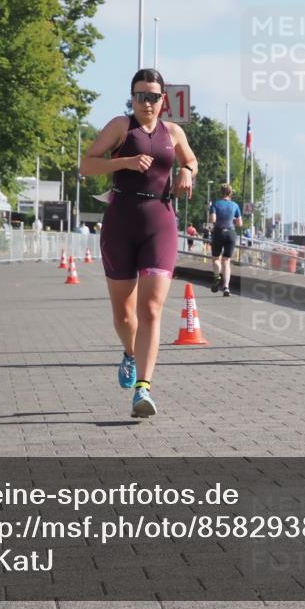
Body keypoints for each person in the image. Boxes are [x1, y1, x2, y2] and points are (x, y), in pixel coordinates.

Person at [80, 68, 198, 418]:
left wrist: (187, 171)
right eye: (140, 96)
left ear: (164, 100)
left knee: (151, 309)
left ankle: (142, 389)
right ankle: (130, 353)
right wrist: (126, 161)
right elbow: (86, 165)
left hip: (159, 222)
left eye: (153, 96)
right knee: (124, 313)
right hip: (120, 223)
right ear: (131, 99)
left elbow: (190, 158)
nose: (146, 102)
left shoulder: (172, 132)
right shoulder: (121, 126)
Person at [209, 184, 242, 297]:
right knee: (226, 261)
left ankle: (217, 276)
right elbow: (239, 223)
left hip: (218, 233)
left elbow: (213, 219)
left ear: (220, 192)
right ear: (230, 193)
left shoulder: (215, 204)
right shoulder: (235, 205)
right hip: (231, 234)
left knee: (216, 259)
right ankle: (226, 287)